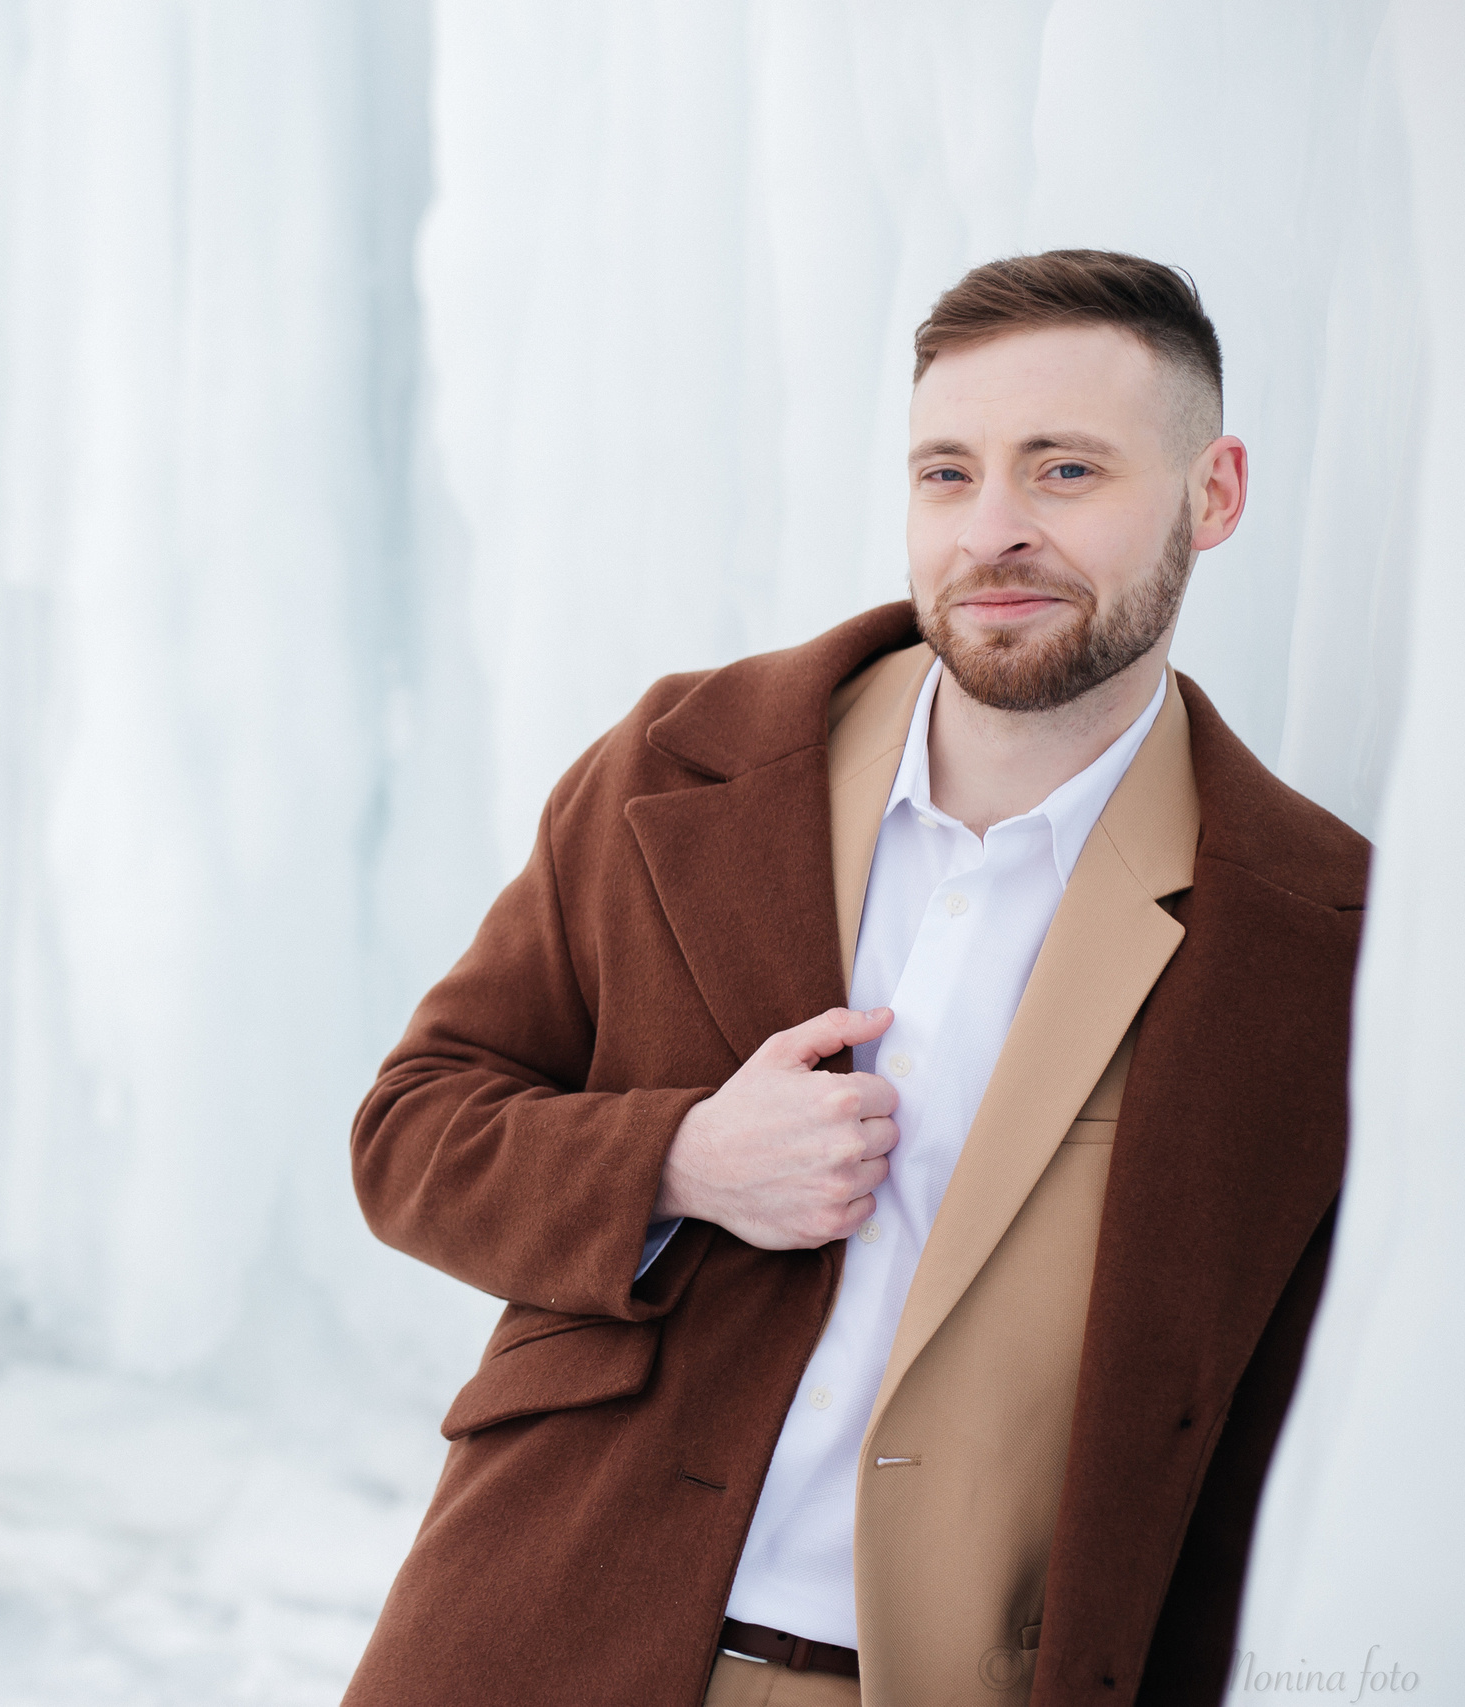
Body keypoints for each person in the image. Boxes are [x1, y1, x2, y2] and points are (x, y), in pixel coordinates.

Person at [342, 250, 1368, 1707]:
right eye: (946, 475)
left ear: (1214, 495)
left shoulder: (1315, 935)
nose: (993, 531)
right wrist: (677, 1161)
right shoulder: (682, 768)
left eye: (1065, 471)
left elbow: (1270, 1442)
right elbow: (411, 1134)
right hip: (543, 1637)